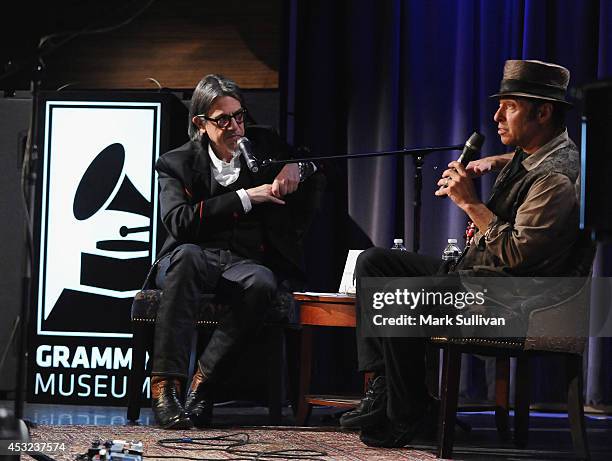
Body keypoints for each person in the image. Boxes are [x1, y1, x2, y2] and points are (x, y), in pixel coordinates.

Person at [340, 60, 581, 447]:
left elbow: (518, 255)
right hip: (482, 274)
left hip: (514, 297)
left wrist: (471, 204)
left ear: (544, 111)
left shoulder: (555, 180)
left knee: (402, 297)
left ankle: (408, 416)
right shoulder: (534, 150)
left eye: (510, 107)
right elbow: (526, 164)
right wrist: (494, 161)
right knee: (374, 262)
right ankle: (388, 389)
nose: (496, 116)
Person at [147, 74, 322, 429]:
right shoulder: (175, 163)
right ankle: (165, 388)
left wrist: (295, 167)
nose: (235, 127)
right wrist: (246, 197)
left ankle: (203, 385)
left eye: (239, 116)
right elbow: (179, 222)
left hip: (239, 263)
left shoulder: (262, 145)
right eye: (223, 119)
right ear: (201, 124)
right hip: (186, 259)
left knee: (261, 281)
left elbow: (315, 162)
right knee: (190, 256)